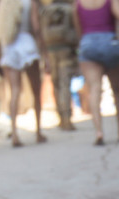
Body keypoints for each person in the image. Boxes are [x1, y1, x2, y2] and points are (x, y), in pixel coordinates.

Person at [74, 0, 119, 146]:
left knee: (95, 89)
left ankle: (99, 132)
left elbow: (78, 27)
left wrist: (83, 43)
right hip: (110, 43)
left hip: (88, 43)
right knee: (117, 90)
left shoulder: (78, 3)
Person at [0, 0, 47, 146]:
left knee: (15, 91)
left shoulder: (3, 4)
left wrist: (0, 55)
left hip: (9, 47)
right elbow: (36, 28)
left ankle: (15, 135)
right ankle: (38, 132)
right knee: (36, 90)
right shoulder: (29, 2)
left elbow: (0, 32)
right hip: (27, 44)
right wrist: (44, 52)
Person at [39, 0, 79, 131]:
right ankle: (67, 116)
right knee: (65, 83)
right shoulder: (69, 10)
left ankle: (61, 116)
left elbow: (42, 33)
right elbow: (76, 29)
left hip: (51, 50)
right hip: (66, 49)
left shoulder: (46, 11)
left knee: (56, 83)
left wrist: (44, 55)